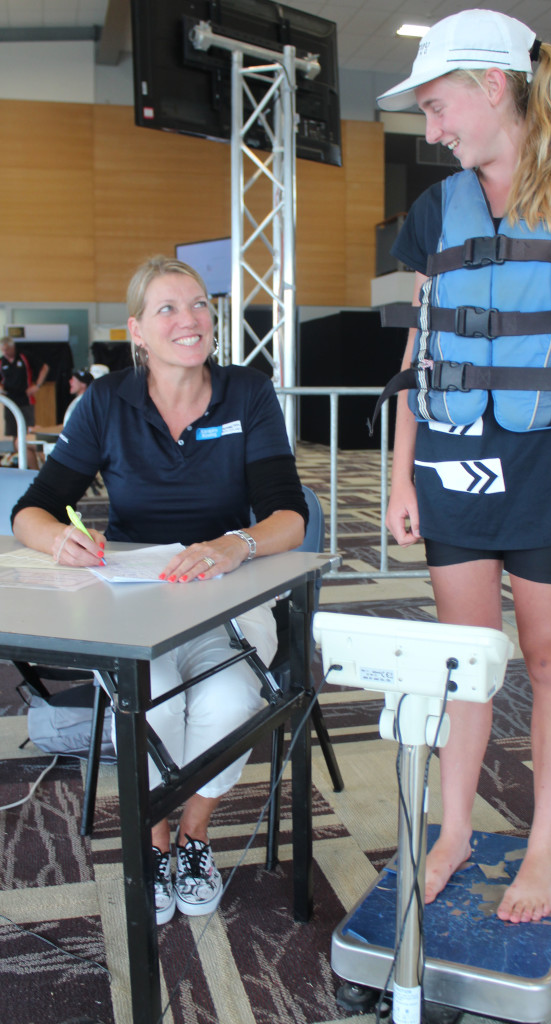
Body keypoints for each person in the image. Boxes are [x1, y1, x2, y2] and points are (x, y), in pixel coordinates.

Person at [377, 10, 551, 924]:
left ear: (493, 86)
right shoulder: (434, 211)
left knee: (546, 657)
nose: (432, 130)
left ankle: (544, 845)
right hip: (454, 461)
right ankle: (454, 829)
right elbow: (420, 361)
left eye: (437, 105)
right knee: (467, 663)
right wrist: (398, 476)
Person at [11, 255, 308, 925]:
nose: (190, 320)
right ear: (137, 331)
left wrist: (239, 542)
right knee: (150, 708)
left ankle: (194, 835)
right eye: (169, 309)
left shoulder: (248, 394)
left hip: (235, 591)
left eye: (200, 304)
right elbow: (33, 508)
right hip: (138, 598)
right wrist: (56, 540)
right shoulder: (106, 403)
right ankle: (154, 843)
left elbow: (290, 515)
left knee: (228, 699)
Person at [0, 336, 50, 468]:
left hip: (25, 400)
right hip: (10, 403)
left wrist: (37, 386)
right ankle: (24, 466)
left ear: (12, 347)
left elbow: (44, 367)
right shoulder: (2, 362)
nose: (4, 352)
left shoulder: (24, 356)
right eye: (2, 350)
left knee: (28, 434)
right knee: (14, 437)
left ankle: (40, 464)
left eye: (6, 349)